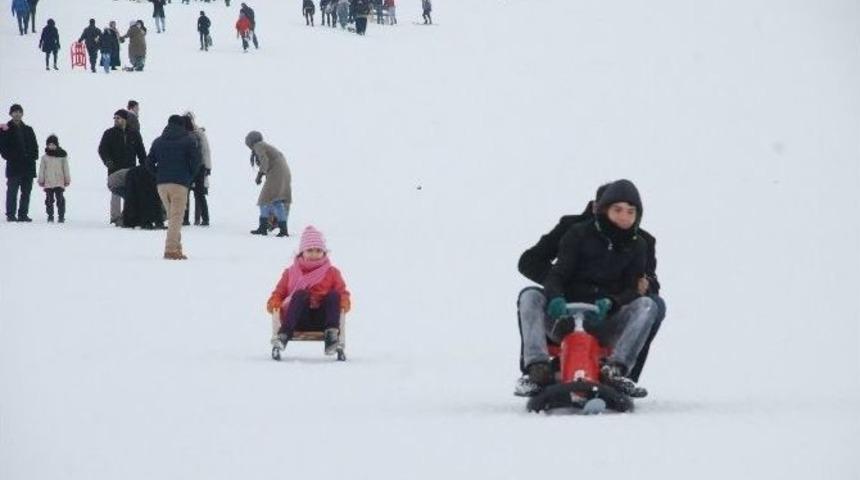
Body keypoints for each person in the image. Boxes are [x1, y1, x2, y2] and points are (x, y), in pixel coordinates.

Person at [518, 179, 659, 398]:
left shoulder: (639, 243)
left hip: (604, 319)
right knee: (529, 296)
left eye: (631, 211)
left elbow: (634, 288)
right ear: (602, 208)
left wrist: (613, 301)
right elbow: (553, 272)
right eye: (617, 209)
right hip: (564, 316)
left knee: (649, 305)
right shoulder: (576, 232)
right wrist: (557, 295)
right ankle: (538, 369)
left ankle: (617, 371)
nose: (624, 216)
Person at [266, 225, 351, 354]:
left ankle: (331, 336)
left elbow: (342, 292)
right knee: (301, 294)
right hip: (298, 317)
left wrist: (344, 303)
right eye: (310, 250)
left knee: (333, 295)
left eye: (318, 250)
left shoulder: (332, 272)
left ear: (324, 252)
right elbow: (279, 292)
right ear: (302, 252)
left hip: (324, 320)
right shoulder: (291, 272)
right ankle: (284, 335)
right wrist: (274, 303)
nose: (314, 254)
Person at [146, 115, 202, 260]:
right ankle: (170, 250)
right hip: (180, 184)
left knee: (173, 217)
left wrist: (158, 175)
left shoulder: (158, 141)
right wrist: (189, 176)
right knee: (176, 218)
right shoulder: (189, 140)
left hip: (162, 185)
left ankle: (177, 248)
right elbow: (196, 161)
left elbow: (149, 163)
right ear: (182, 125)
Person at [98, 110, 147, 225]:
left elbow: (141, 152)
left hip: (131, 170)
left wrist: (145, 166)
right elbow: (102, 149)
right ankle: (115, 217)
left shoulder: (134, 134)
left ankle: (127, 215)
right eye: (114, 118)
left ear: (125, 119)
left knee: (130, 193)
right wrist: (107, 161)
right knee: (115, 193)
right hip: (114, 169)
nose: (116, 120)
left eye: (118, 118)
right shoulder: (109, 133)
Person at [245, 131, 291, 237]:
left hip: (276, 174)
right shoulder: (265, 145)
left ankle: (263, 228)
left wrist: (259, 175)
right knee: (277, 201)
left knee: (264, 201)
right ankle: (283, 230)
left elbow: (264, 160)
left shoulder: (258, 145)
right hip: (283, 173)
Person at [0, 104, 38, 222]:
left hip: (28, 167)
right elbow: (3, 147)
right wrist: (11, 157)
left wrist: (32, 158)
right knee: (12, 191)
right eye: (14, 112)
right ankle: (11, 215)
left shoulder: (28, 129)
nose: (17, 114)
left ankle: (23, 214)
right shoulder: (5, 129)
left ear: (22, 113)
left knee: (26, 192)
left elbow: (35, 147)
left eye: (19, 111)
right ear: (11, 114)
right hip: (14, 166)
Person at [181, 112, 211, 226]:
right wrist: (207, 167)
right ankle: (204, 219)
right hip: (200, 166)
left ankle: (186, 219)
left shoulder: (190, 135)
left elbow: (205, 151)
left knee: (187, 192)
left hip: (191, 167)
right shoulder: (198, 133)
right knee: (199, 193)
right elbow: (206, 151)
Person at [36, 134, 70, 223]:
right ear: (47, 145)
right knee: (49, 200)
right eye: (50, 144)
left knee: (60, 199)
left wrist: (67, 179)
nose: (51, 146)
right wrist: (41, 180)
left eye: (53, 144)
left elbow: (66, 168)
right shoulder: (44, 158)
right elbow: (42, 169)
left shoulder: (62, 156)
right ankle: (50, 216)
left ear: (57, 145)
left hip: (59, 181)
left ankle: (61, 216)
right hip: (48, 182)